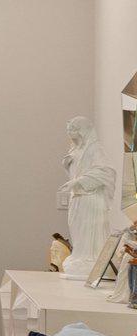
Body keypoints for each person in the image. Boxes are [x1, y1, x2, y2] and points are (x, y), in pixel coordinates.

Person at [58, 116, 117, 276]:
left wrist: (78, 182)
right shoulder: (76, 149)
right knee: (77, 230)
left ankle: (89, 259)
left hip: (90, 199)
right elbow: (76, 168)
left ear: (83, 131)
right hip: (77, 198)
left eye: (73, 130)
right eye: (69, 130)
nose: (70, 133)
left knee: (88, 230)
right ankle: (79, 256)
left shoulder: (95, 149)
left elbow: (105, 172)